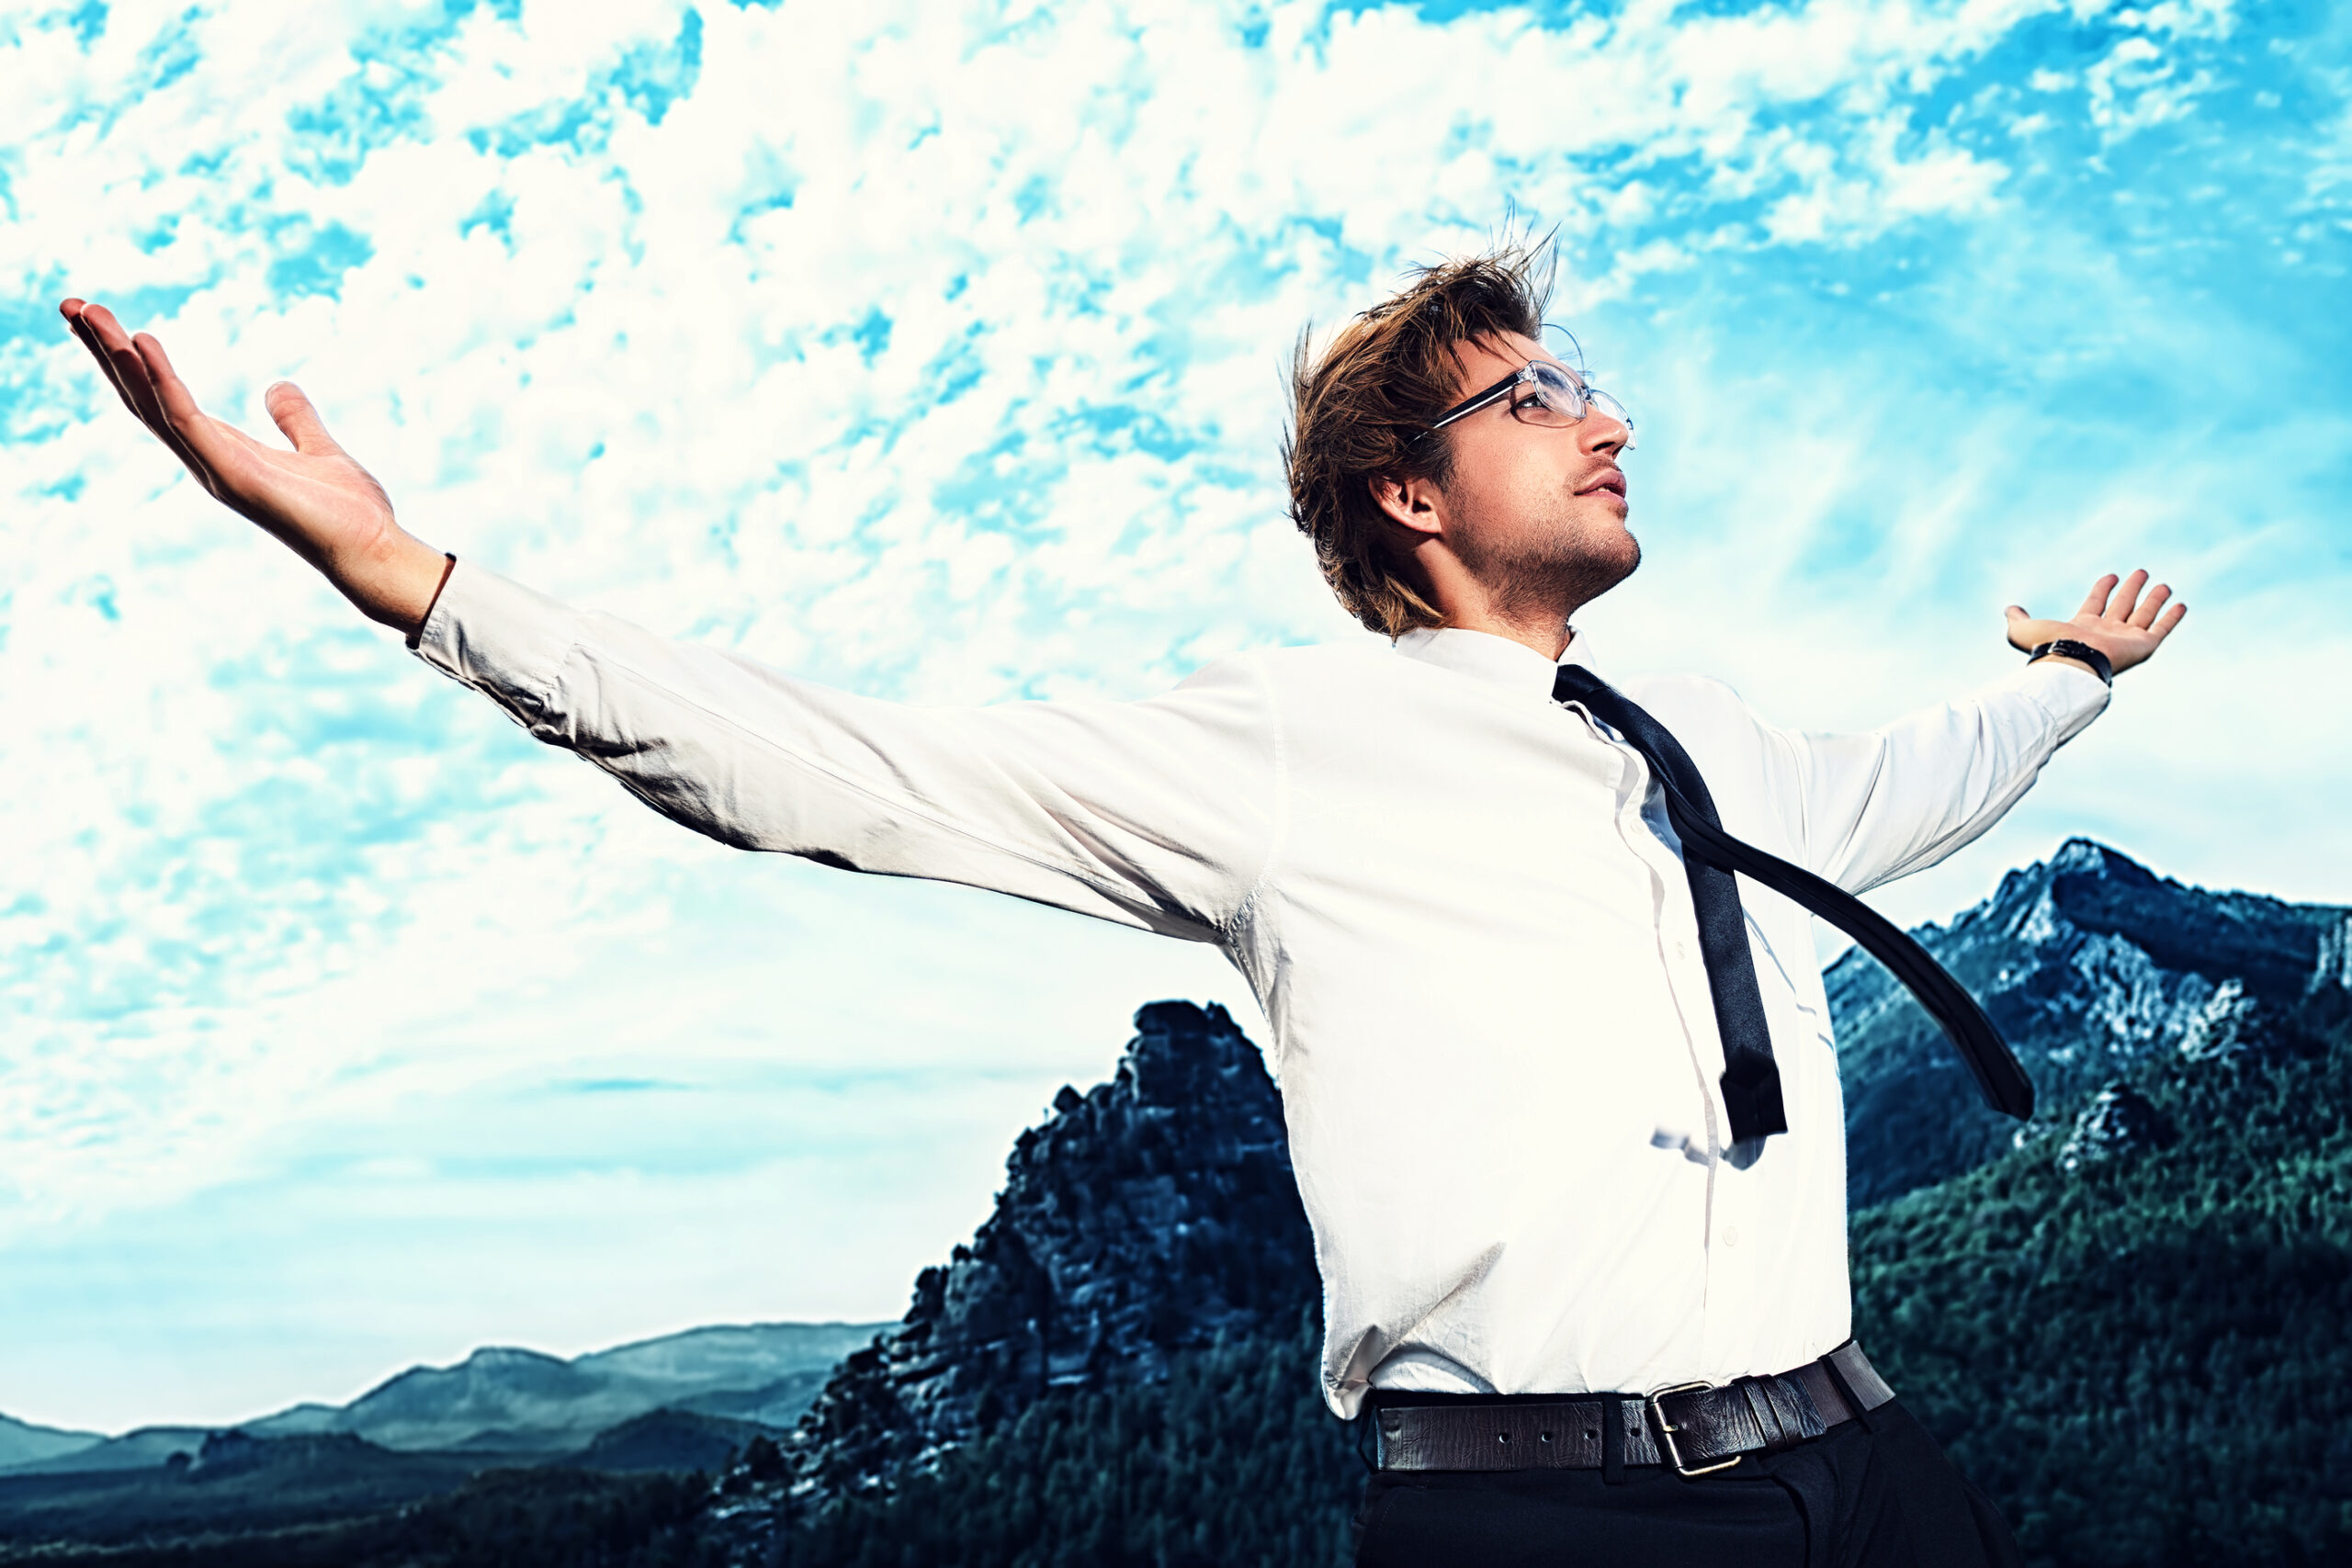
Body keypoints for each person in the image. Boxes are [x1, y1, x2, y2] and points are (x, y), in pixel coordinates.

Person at [58, 242, 2182, 1567]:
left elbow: (1910, 787)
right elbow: (839, 771)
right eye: (1531, 393)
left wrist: (2058, 684)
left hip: (1872, 1458)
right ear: (1406, 493)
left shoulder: (1685, 725)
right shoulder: (1281, 752)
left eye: (1587, 381)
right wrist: (423, 587)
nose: (1603, 413)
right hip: (1566, 1516)